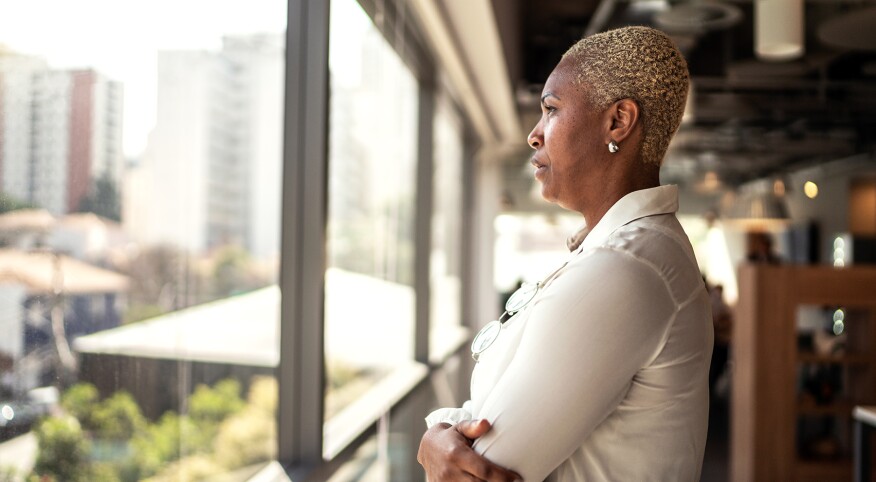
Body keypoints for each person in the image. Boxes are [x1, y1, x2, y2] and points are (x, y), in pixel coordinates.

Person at [417, 26, 713, 481]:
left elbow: (479, 469)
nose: (534, 136)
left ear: (618, 121)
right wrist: (439, 430)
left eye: (551, 110)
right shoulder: (624, 253)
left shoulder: (625, 270)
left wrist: (440, 436)